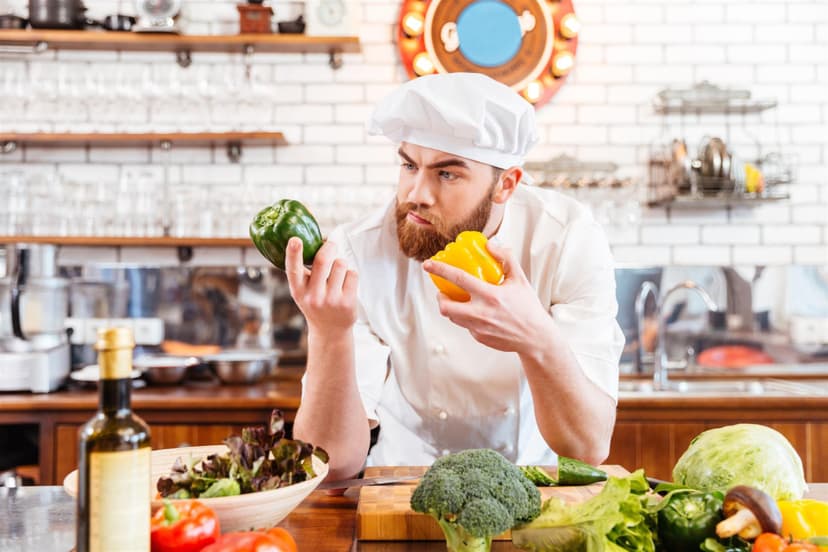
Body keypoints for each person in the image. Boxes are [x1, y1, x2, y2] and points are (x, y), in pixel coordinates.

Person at [287, 72, 625, 481]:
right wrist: (329, 335)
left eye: (447, 174)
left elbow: (587, 447)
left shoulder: (565, 237)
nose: (416, 193)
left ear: (506, 185)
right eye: (409, 165)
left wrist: (536, 337)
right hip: (403, 489)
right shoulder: (359, 251)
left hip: (534, 493)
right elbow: (332, 463)